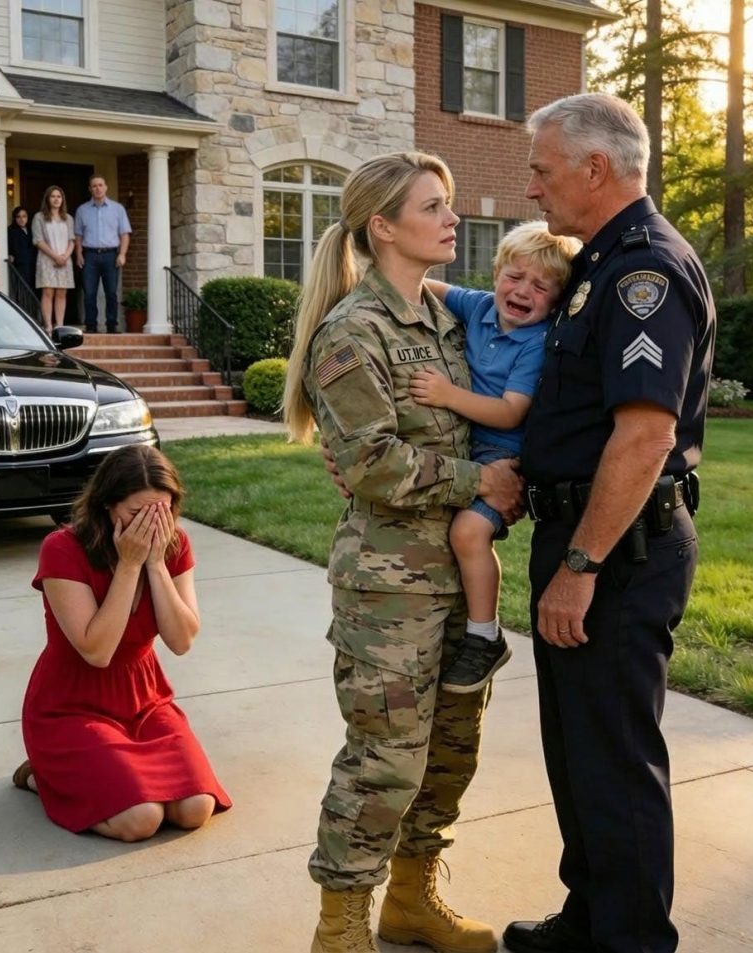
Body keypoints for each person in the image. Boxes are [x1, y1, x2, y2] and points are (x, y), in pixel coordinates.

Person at [283, 151, 523, 953]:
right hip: (389, 591)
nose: (452, 218)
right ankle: (341, 920)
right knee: (385, 760)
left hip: (459, 579)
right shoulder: (353, 332)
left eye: (450, 203)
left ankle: (412, 899)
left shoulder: (453, 321)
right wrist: (477, 477)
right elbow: (369, 463)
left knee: (452, 750)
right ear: (383, 226)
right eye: (434, 206)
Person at [502, 93, 715, 953]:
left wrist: (580, 566)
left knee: (616, 761)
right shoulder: (595, 264)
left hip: (618, 550)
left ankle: (631, 941)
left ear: (596, 168)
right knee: (579, 750)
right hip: (588, 534)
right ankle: (590, 918)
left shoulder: (643, 272)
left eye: (542, 171)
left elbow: (644, 432)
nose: (531, 189)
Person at [12, 445, 232, 841]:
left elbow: (181, 641)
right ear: (108, 507)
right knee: (139, 819)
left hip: (144, 700)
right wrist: (128, 565)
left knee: (196, 807)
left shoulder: (174, 544)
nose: (151, 525)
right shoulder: (62, 549)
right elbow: (97, 651)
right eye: (137, 514)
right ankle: (42, 776)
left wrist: (155, 562)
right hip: (72, 705)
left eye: (162, 512)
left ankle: (106, 776)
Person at [412, 221, 581, 693]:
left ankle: (485, 637)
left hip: (503, 456)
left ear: (556, 299)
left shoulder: (536, 343)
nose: (522, 290)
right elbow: (427, 284)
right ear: (496, 273)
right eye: (514, 276)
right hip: (462, 447)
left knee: (469, 532)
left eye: (540, 285)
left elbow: (510, 413)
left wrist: (446, 395)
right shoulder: (480, 306)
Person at [74, 174, 132, 334]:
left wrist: (122, 254)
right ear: (90, 189)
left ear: (106, 187)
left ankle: (112, 326)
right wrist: (78, 254)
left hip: (111, 255)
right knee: (89, 292)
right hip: (90, 255)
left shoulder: (118, 209)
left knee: (111, 292)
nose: (98, 188)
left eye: (100, 185)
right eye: (94, 186)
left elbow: (125, 234)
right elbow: (78, 235)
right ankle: (91, 326)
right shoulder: (82, 210)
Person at [31, 186, 75, 333]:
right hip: (47, 259)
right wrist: (55, 256)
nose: (56, 199)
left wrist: (65, 256)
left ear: (62, 200)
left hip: (64, 260)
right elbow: (38, 240)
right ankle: (49, 325)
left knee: (62, 293)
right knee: (48, 292)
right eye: (53, 196)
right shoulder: (39, 217)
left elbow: (72, 240)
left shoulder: (68, 218)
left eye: (59, 197)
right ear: (47, 199)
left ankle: (60, 325)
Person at [7, 205, 37, 291]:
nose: (22, 219)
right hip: (19, 267)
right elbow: (8, 246)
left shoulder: (32, 230)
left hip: (32, 266)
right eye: (18, 217)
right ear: (14, 218)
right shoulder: (10, 230)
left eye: (24, 216)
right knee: (21, 292)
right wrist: (9, 254)